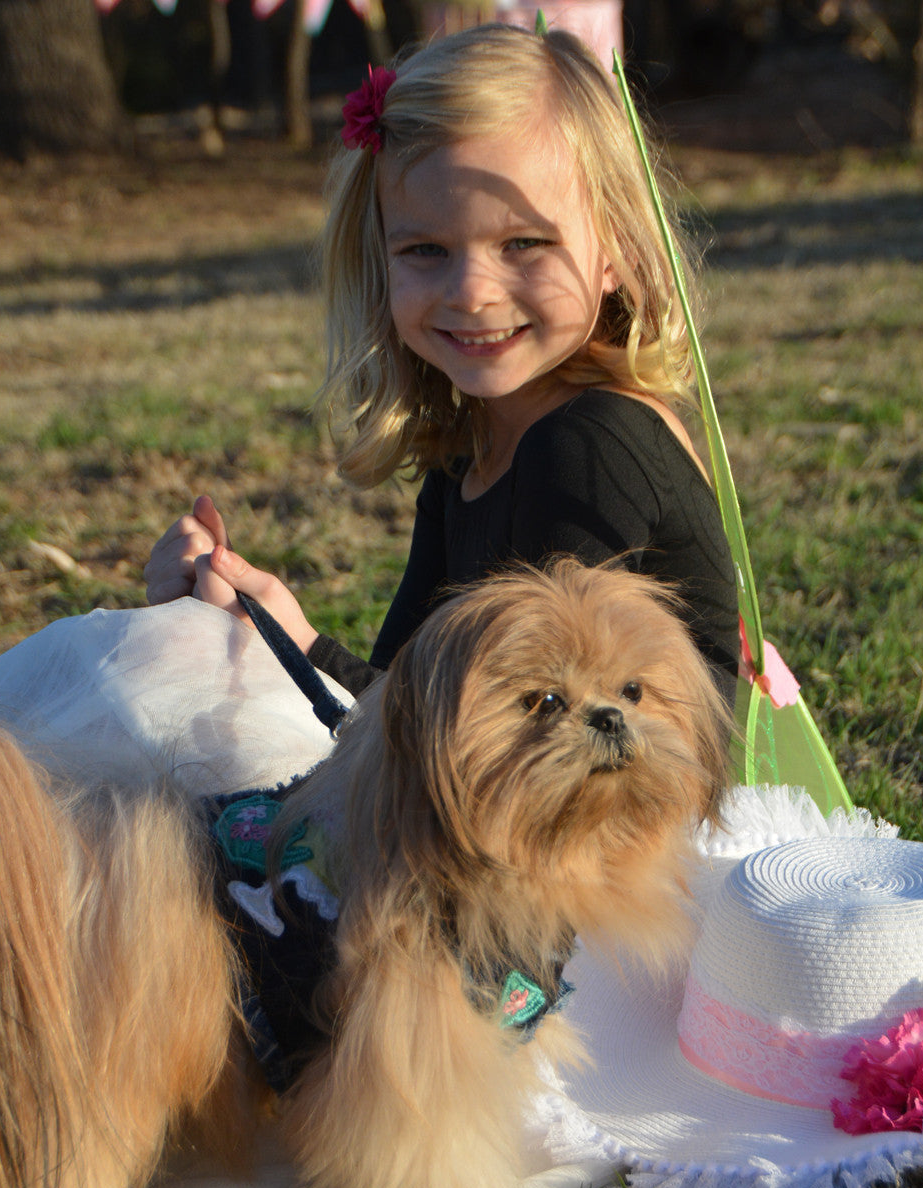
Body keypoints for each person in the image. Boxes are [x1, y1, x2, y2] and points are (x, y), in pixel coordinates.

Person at [145, 22, 740, 702]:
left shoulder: (589, 445)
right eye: (426, 250)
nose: (472, 293)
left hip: (639, 806)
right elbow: (402, 700)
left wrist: (301, 649)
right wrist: (253, 625)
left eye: (523, 243)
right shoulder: (473, 452)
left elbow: (520, 732)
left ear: (617, 250)